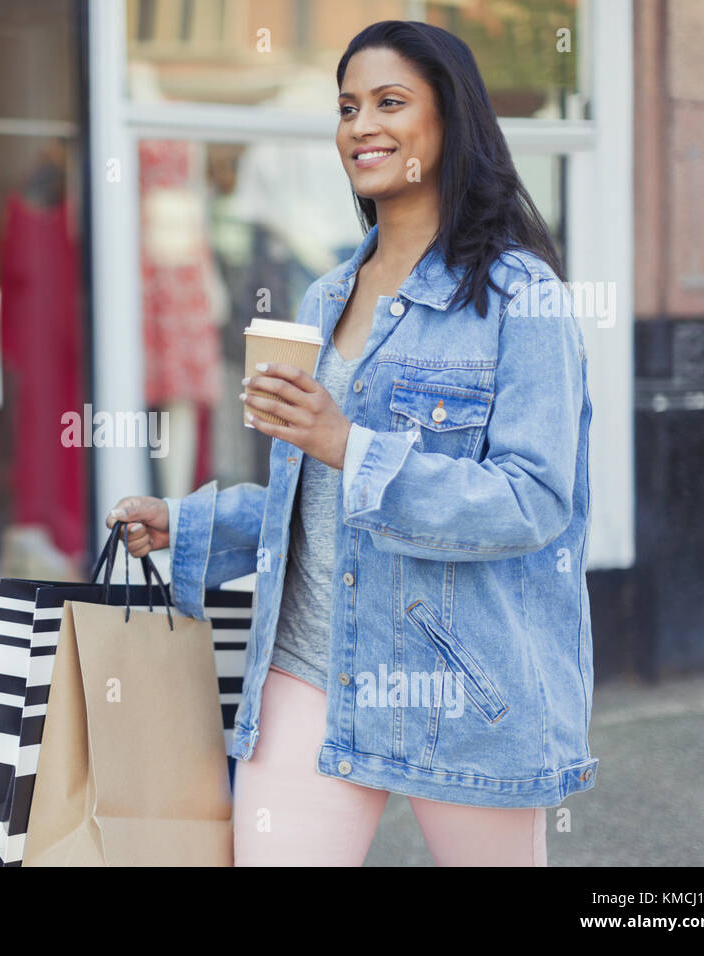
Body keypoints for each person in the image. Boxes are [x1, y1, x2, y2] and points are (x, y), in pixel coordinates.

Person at [107, 20, 595, 866]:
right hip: (311, 663)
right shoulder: (325, 296)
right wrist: (187, 528)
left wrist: (351, 444)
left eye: (390, 102)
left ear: (451, 123)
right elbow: (311, 499)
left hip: (465, 681)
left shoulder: (524, 297)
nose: (361, 125)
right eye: (347, 106)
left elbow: (534, 500)